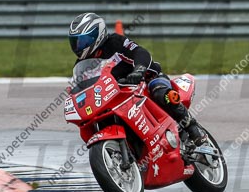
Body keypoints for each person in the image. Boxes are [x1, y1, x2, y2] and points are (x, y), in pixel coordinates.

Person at [67, 12, 207, 145]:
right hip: (116, 96)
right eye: (75, 42)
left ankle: (193, 130)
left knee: (161, 94)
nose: (78, 46)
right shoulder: (81, 65)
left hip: (145, 80)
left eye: (83, 41)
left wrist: (138, 70)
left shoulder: (115, 42)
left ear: (97, 35)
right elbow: (81, 87)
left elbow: (140, 52)